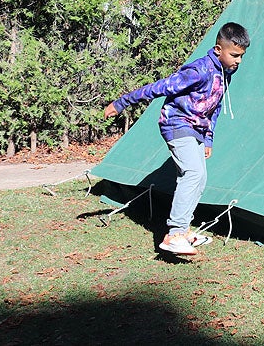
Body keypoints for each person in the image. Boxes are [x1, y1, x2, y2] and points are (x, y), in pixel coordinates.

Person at [103, 22, 250, 254]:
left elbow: (215, 106)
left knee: (199, 178)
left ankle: (185, 231)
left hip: (197, 129)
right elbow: (161, 87)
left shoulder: (225, 72)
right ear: (218, 49)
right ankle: (174, 235)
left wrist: (208, 138)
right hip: (177, 123)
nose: (238, 61)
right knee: (192, 173)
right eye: (234, 55)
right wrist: (122, 103)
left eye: (241, 56)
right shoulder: (199, 70)